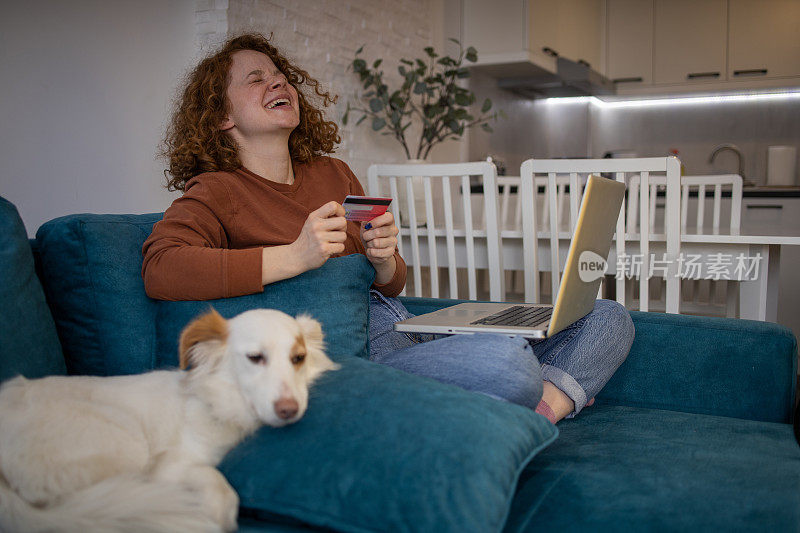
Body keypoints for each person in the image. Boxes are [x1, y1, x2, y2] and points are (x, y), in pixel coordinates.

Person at [142, 33, 634, 424]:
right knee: (506, 363)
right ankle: (540, 392)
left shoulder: (331, 172)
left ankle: (542, 410)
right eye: (256, 79)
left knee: (609, 316)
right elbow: (162, 267)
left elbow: (393, 283)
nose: (278, 83)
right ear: (222, 116)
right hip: (356, 355)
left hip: (402, 324)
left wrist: (382, 260)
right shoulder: (217, 190)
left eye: (280, 76)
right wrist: (295, 255)